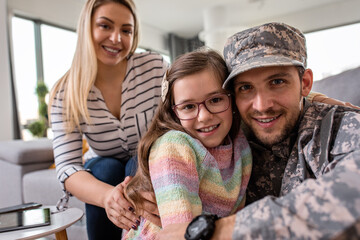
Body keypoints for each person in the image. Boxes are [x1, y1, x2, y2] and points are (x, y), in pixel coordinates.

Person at [153, 22, 360, 239]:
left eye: (277, 81)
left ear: (305, 83)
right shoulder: (228, 134)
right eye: (246, 88)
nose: (261, 106)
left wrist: (219, 231)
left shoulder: (341, 129)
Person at [48, 0, 168, 239]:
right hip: (104, 172)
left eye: (126, 30)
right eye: (105, 26)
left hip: (147, 160)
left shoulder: (155, 68)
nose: (116, 38)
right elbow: (67, 166)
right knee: (105, 168)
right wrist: (108, 197)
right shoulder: (65, 92)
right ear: (87, 28)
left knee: (137, 162)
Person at [122, 48, 252, 239]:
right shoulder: (173, 146)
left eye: (215, 100)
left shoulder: (240, 145)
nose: (204, 116)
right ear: (174, 112)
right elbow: (178, 233)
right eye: (189, 107)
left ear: (232, 99)